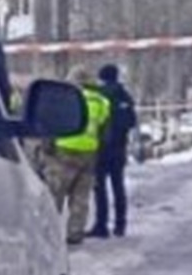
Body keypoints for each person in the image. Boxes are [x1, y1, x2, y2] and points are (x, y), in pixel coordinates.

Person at [48, 65, 110, 246]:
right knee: (81, 196)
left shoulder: (65, 99)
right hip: (89, 153)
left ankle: (49, 231)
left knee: (56, 193)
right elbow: (103, 128)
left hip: (64, 150)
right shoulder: (102, 102)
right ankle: (75, 233)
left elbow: (52, 122)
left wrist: (48, 146)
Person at [91, 63, 138, 238]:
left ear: (102, 77)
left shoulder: (99, 95)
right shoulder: (125, 96)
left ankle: (101, 225)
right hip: (119, 148)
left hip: (101, 148)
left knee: (100, 188)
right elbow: (132, 121)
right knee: (118, 186)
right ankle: (120, 225)